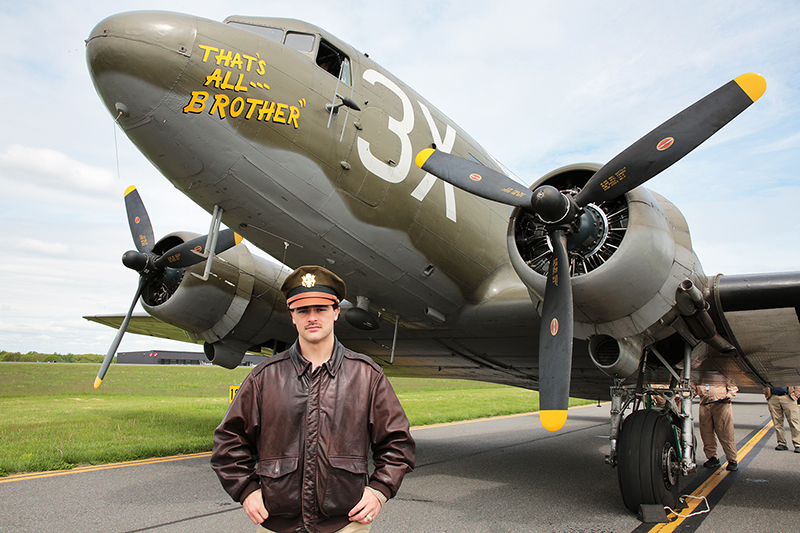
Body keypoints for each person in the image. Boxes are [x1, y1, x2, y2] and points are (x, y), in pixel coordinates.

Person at [211, 265, 415, 533]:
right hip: (276, 525)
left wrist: (379, 490)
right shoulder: (264, 377)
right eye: (303, 310)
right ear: (292, 316)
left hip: (345, 524)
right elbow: (229, 441)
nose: (312, 317)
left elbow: (397, 443)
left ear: (336, 312)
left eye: (320, 309)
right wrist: (246, 490)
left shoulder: (367, 376)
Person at [691, 379, 739, 471]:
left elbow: (733, 386)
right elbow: (692, 389)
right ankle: (712, 457)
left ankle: (732, 460)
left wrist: (729, 396)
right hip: (705, 405)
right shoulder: (698, 374)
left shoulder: (722, 372)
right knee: (706, 433)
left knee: (725, 433)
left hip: (721, 405)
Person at [763, 386, 800, 452]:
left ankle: (798, 444)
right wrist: (767, 393)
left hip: (788, 396)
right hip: (773, 397)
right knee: (777, 422)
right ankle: (781, 443)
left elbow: (796, 381)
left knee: (793, 421)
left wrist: (797, 394)